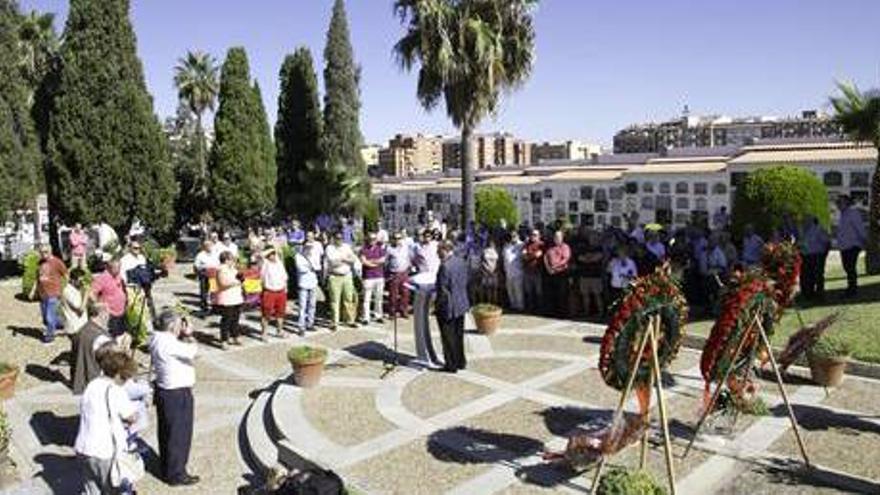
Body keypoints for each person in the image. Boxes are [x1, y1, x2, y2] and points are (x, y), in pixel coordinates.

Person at [74, 348, 139, 495]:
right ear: (117, 374)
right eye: (125, 377)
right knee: (111, 489)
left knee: (90, 489)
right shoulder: (116, 391)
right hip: (104, 450)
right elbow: (131, 417)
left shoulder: (92, 384)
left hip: (83, 446)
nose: (125, 380)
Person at [149, 309, 199, 486]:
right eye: (178, 324)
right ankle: (176, 473)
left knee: (166, 431)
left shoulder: (156, 338)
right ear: (171, 326)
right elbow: (193, 351)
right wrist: (189, 334)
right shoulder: (169, 343)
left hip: (165, 390)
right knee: (179, 434)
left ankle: (167, 466)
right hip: (177, 392)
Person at [435, 241, 470, 373]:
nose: (437, 253)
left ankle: (451, 364)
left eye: (438, 250)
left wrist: (438, 306)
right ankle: (461, 361)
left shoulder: (445, 266)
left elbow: (443, 291)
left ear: (444, 250)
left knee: (448, 337)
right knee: (458, 335)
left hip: (449, 306)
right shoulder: (461, 261)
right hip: (461, 303)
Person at [72, 301, 113, 395]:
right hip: (98, 384)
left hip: (80, 384)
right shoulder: (101, 337)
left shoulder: (80, 332)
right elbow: (114, 362)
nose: (109, 317)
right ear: (102, 314)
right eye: (108, 313)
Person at [324, 232, 358, 330]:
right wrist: (345, 259)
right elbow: (332, 262)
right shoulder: (329, 248)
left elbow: (353, 259)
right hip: (334, 277)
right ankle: (335, 322)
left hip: (347, 276)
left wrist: (341, 259)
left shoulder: (346, 247)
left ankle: (350, 320)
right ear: (334, 239)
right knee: (335, 300)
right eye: (337, 238)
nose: (339, 240)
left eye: (341, 238)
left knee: (348, 298)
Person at [836, 195, 867, 297]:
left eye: (840, 202)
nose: (838, 204)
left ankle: (852, 290)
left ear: (846, 202)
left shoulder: (853, 213)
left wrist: (864, 240)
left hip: (853, 245)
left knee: (850, 267)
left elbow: (859, 227)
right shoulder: (842, 214)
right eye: (838, 202)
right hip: (844, 246)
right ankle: (851, 288)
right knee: (847, 267)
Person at [36, 245, 68, 343]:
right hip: (42, 294)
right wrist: (33, 291)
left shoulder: (57, 262)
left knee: (49, 317)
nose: (43, 254)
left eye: (46, 252)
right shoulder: (40, 262)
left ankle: (50, 336)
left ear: (50, 251)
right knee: (45, 318)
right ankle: (60, 324)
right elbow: (37, 277)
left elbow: (66, 275)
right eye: (42, 252)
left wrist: (64, 288)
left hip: (53, 293)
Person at [89, 258, 128, 338]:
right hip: (110, 313)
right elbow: (91, 293)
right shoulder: (102, 278)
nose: (118, 270)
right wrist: (99, 306)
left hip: (121, 311)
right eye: (116, 268)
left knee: (121, 334)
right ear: (109, 268)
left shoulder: (118, 276)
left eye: (119, 268)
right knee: (111, 336)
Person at [216, 251, 244, 347]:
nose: (233, 261)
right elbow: (223, 283)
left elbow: (240, 277)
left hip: (236, 297)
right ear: (226, 260)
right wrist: (236, 282)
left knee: (235, 319)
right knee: (226, 320)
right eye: (231, 259)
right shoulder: (221, 269)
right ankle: (224, 340)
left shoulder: (232, 268)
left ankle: (234, 336)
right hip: (227, 298)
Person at [260, 248, 289, 339]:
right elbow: (261, 255)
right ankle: (264, 333)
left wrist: (285, 288)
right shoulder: (265, 264)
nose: (273, 256)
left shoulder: (279, 263)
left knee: (280, 312)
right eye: (271, 254)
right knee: (266, 313)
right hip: (269, 291)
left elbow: (284, 277)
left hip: (281, 291)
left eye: (274, 254)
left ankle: (279, 330)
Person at [576, 230, 605, 317]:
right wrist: (591, 258)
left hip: (596, 276)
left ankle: (601, 313)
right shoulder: (583, 247)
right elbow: (580, 258)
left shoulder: (600, 248)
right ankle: (586, 312)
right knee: (585, 295)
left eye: (595, 237)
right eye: (591, 237)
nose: (593, 239)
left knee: (597, 295)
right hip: (584, 275)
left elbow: (597, 258)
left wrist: (587, 258)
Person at [359, 232, 387, 325]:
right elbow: (364, 262)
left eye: (374, 239)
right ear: (367, 239)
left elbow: (382, 260)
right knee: (367, 298)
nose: (372, 241)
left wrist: (371, 261)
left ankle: (378, 315)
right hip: (368, 277)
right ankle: (365, 318)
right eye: (370, 239)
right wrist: (374, 263)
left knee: (379, 297)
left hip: (379, 276)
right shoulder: (363, 249)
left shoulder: (380, 249)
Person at [801, 215, 831, 301]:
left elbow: (826, 242)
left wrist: (824, 255)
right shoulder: (805, 230)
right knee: (809, 276)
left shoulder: (818, 229)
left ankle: (819, 294)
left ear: (811, 220)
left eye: (806, 219)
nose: (804, 221)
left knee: (818, 275)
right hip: (807, 256)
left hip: (817, 255)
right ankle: (809, 294)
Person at [544, 230, 571, 317]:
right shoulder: (550, 247)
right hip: (551, 273)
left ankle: (562, 313)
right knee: (552, 293)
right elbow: (545, 257)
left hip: (561, 273)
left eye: (558, 237)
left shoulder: (565, 247)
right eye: (555, 237)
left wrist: (555, 267)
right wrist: (548, 268)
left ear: (562, 238)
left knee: (562, 294)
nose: (556, 238)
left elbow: (565, 259)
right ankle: (553, 312)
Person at [386, 232, 412, 318]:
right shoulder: (389, 249)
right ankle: (392, 311)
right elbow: (386, 262)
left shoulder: (405, 247)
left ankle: (403, 310)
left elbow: (409, 257)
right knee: (393, 294)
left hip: (404, 273)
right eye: (395, 238)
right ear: (392, 239)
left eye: (399, 238)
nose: (397, 240)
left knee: (406, 293)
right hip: (394, 274)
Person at [295, 242, 320, 332]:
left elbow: (318, 267)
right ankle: (301, 326)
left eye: (310, 247)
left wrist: (310, 267)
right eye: (307, 247)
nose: (309, 249)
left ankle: (310, 323)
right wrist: (311, 267)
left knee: (312, 305)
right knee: (302, 306)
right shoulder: (298, 256)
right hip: (303, 284)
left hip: (313, 282)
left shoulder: (314, 256)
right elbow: (301, 269)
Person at [61, 268, 89, 335]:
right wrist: (86, 294)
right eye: (80, 281)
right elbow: (80, 310)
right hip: (75, 327)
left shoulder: (77, 290)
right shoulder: (68, 291)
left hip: (81, 326)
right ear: (73, 280)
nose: (82, 283)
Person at [522, 229, 544, 313]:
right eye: (532, 234)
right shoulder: (526, 244)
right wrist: (534, 255)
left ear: (539, 236)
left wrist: (529, 255)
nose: (533, 236)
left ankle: (539, 310)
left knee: (538, 292)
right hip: (527, 271)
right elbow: (524, 256)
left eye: (535, 235)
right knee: (529, 291)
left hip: (537, 271)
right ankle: (530, 309)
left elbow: (539, 255)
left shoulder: (541, 244)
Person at [502, 233, 525, 311]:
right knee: (510, 290)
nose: (513, 238)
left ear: (518, 236)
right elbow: (504, 259)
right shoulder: (506, 246)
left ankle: (520, 307)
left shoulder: (521, 245)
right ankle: (513, 305)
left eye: (515, 236)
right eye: (512, 236)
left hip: (518, 272)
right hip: (508, 272)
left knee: (518, 290)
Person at [193, 240, 218, 311]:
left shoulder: (215, 254)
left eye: (210, 246)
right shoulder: (200, 255)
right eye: (207, 246)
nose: (209, 247)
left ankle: (214, 305)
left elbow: (218, 263)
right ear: (204, 247)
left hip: (213, 273)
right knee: (204, 290)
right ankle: (203, 304)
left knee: (214, 290)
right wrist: (204, 267)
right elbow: (196, 265)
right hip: (204, 273)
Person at [479, 240, 500, 305]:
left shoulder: (497, 250)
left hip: (494, 272)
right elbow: (482, 261)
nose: (491, 244)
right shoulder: (484, 251)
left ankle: (494, 303)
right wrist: (486, 270)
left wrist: (496, 270)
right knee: (488, 289)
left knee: (494, 289)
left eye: (492, 243)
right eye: (490, 243)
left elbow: (499, 262)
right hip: (486, 272)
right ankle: (489, 303)